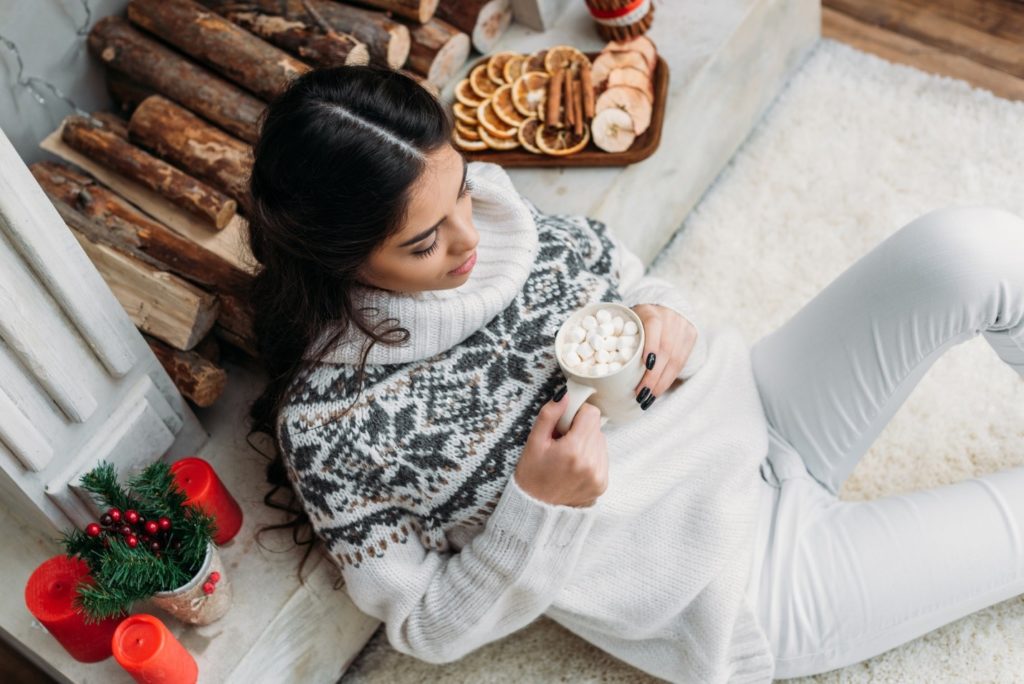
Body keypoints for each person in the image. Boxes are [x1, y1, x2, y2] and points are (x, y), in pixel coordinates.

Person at [243, 64, 1024, 682]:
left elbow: (634, 280)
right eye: (424, 242)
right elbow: (424, 631)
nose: (470, 238)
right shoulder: (331, 429)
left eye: (462, 191)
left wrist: (666, 318)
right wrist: (536, 506)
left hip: (762, 412)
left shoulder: (499, 221)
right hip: (741, 586)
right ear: (341, 257)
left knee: (971, 247)